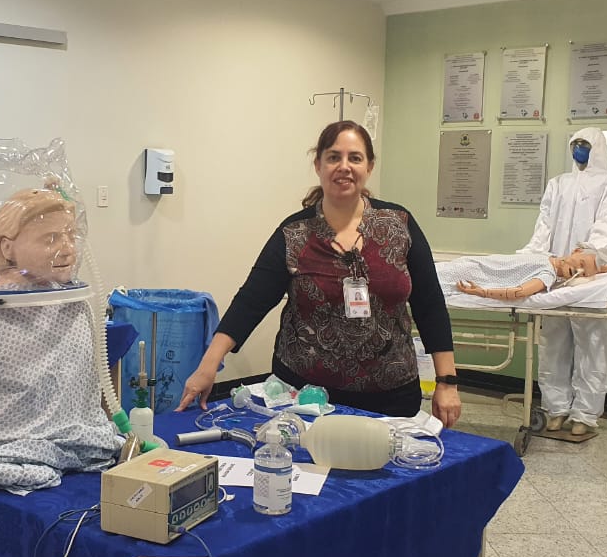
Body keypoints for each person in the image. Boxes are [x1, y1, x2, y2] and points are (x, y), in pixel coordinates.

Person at [177, 120, 461, 425]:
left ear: (369, 166)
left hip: (391, 396)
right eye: (334, 157)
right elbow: (251, 301)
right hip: (305, 397)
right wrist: (208, 365)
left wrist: (447, 382)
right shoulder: (294, 233)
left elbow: (430, 305)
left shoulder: (399, 224)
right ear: (318, 165)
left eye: (355, 158)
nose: (344, 166)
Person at [0, 186, 119, 493]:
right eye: (51, 239)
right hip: (6, 442)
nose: (67, 249)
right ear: (7, 248)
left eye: (71, 235)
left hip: (78, 435)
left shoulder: (74, 306)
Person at [517, 126, 607, 436]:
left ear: (597, 148)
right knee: (552, 345)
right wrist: (531, 258)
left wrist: (587, 254)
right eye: (575, 144)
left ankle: (585, 414)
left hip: (590, 276)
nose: (579, 150)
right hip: (556, 275)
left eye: (585, 144)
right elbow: (543, 226)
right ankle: (556, 408)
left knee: (593, 348)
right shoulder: (558, 184)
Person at [441, 250, 607, 302]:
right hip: (468, 266)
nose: (579, 270)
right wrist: (605, 267)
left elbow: (519, 292)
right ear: (575, 251)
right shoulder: (547, 256)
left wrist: (482, 292)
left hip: (469, 275)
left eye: (584, 273)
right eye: (580, 263)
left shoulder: (547, 275)